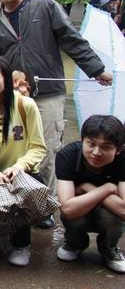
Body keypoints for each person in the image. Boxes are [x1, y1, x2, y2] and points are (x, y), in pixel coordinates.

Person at [0, 0, 112, 206]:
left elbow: (71, 38)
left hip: (47, 92)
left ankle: (49, 204)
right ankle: (24, 203)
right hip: (15, 95)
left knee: (47, 150)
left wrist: (96, 69)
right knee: (18, 150)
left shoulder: (44, 5)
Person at [0, 56, 47, 266]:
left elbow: (38, 147)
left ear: (5, 77)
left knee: (23, 190)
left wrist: (18, 167)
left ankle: (22, 244)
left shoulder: (25, 105)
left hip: (22, 174)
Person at [55, 115, 125, 274]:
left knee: (111, 217)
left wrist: (86, 188)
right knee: (73, 214)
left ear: (118, 149)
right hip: (81, 211)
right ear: (83, 141)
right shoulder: (67, 156)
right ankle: (75, 243)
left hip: (107, 211)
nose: (96, 152)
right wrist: (107, 188)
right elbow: (67, 208)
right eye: (91, 144)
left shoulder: (123, 159)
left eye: (106, 147)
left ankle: (109, 249)